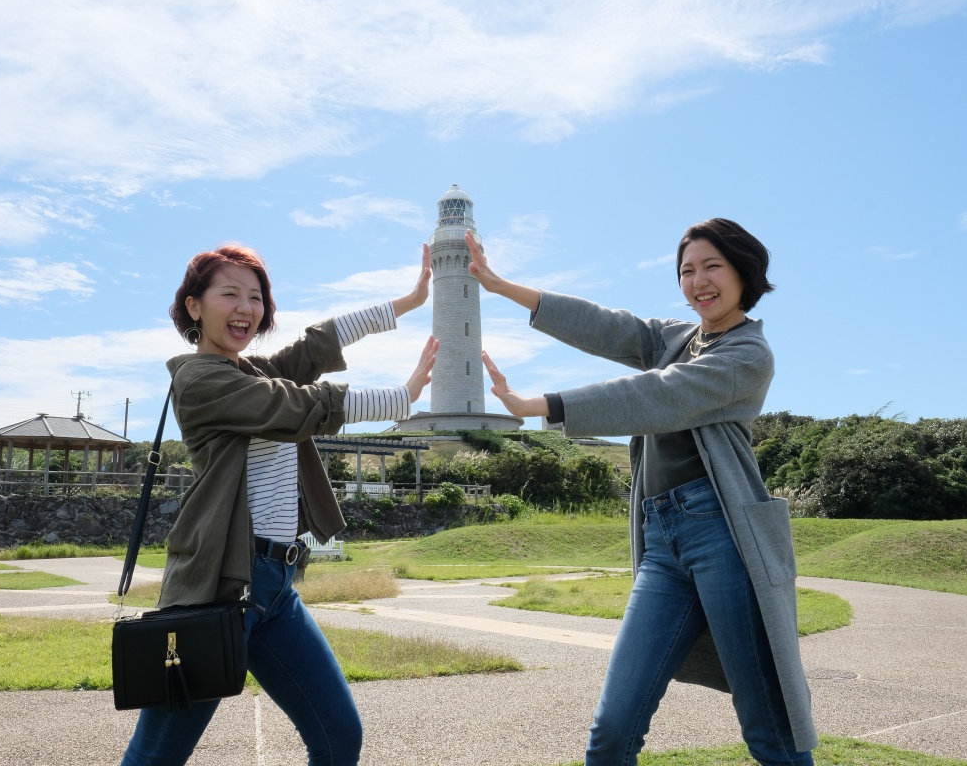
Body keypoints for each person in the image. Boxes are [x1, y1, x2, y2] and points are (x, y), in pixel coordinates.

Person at [466, 221, 817, 766]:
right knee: (612, 732)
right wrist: (500, 285)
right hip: (662, 543)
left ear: (744, 272)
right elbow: (609, 327)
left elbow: (660, 394)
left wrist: (539, 405)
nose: (698, 281)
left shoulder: (748, 355)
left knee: (770, 730)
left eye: (711, 267)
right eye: (687, 271)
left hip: (726, 538)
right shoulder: (677, 339)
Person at [120, 243, 439, 766]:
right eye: (230, 294)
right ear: (194, 306)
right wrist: (399, 398)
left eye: (256, 296)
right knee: (157, 756)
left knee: (339, 737)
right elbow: (293, 404)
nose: (246, 307)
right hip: (217, 592)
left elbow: (315, 347)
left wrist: (405, 302)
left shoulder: (250, 369)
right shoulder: (200, 381)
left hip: (275, 589)